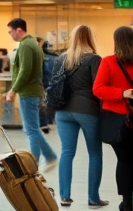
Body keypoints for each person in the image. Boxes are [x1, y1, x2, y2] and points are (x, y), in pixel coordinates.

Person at [54, 25, 106, 208]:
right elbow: (99, 89)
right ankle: (93, 199)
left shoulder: (60, 59)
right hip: (87, 111)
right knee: (94, 153)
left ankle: (64, 196)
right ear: (90, 38)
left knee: (67, 152)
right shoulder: (94, 59)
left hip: (62, 111)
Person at [5, 18, 57, 169]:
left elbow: (25, 71)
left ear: (19, 30)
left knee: (31, 130)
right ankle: (49, 156)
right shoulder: (33, 43)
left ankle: (34, 163)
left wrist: (13, 89)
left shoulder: (26, 45)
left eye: (11, 32)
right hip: (32, 91)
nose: (11, 35)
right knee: (30, 128)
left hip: (28, 92)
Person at [94, 26, 133, 211]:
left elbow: (98, 89)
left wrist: (120, 93)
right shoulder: (108, 62)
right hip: (124, 120)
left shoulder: (108, 62)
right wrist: (124, 92)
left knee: (124, 160)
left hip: (117, 121)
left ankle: (127, 203)